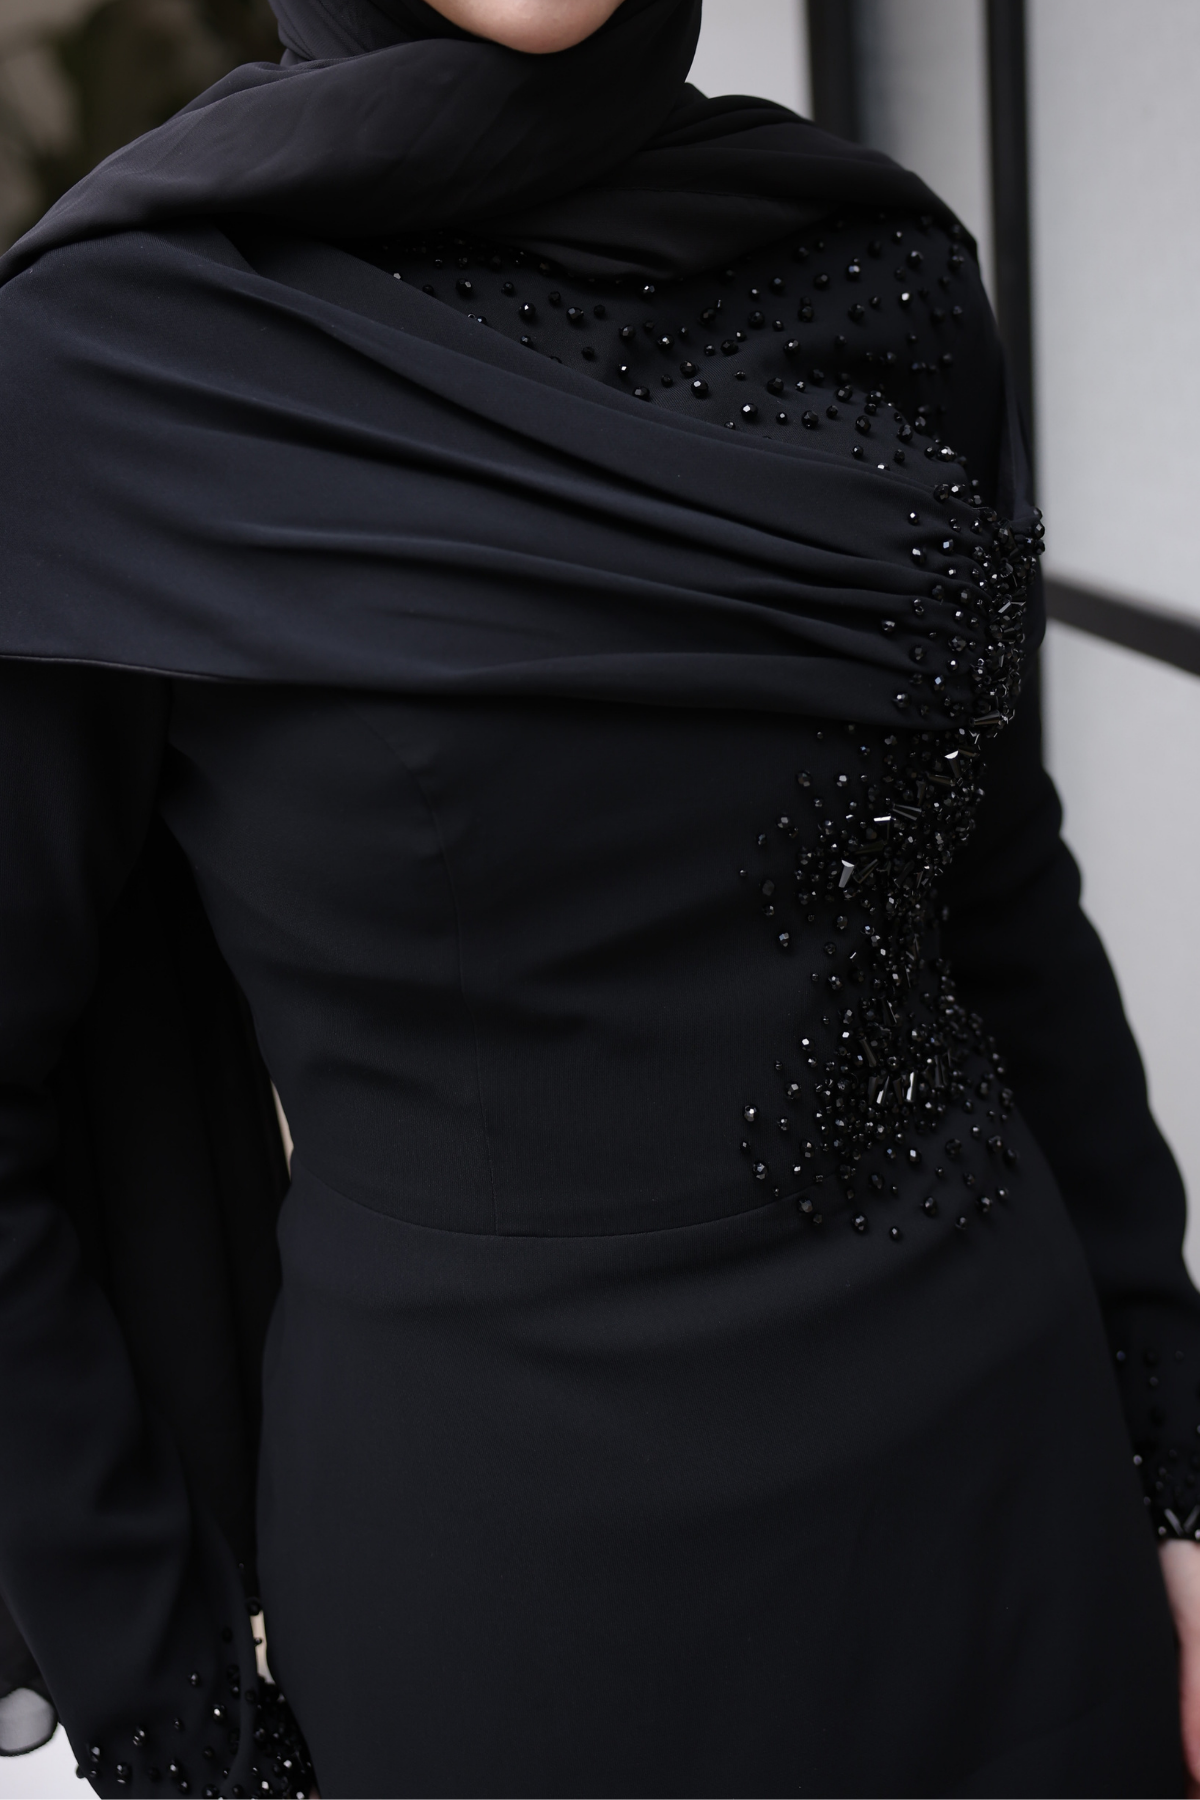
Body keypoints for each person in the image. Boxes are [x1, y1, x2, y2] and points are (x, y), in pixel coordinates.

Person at [0, 0, 1197, 1793]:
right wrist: (183, 1732)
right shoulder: (106, 365)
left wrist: (1180, 1469)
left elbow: (1002, 885)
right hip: (513, 1607)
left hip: (1012, 1500)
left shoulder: (880, 262)